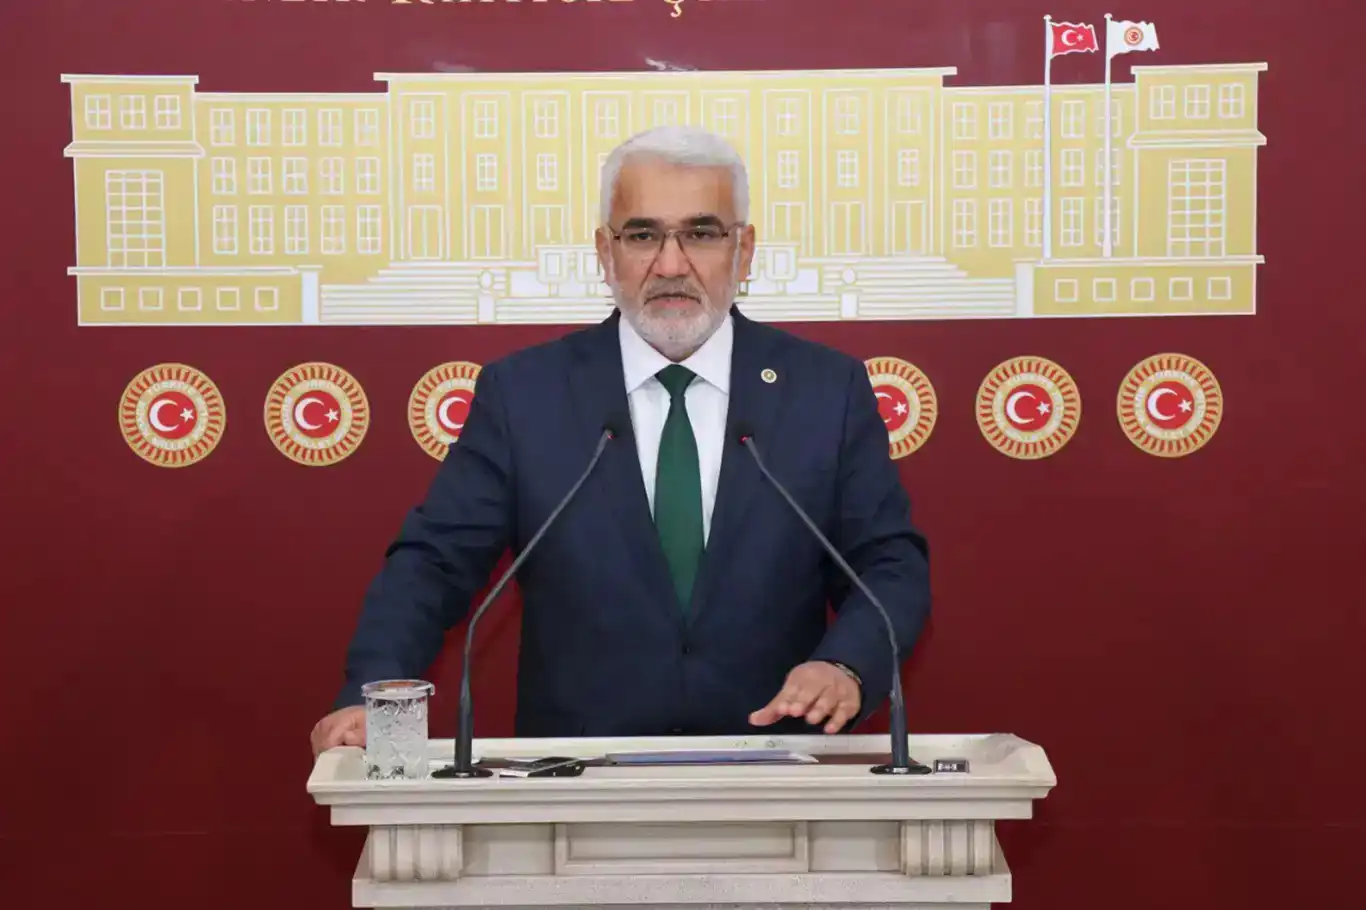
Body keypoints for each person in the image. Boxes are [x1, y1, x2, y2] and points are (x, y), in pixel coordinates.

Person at [310, 124, 931, 756]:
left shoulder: (826, 391)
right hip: (575, 781)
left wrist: (847, 665)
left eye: (701, 233)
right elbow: (434, 564)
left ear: (743, 252)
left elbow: (888, 564)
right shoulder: (524, 395)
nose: (671, 264)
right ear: (606, 254)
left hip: (776, 769)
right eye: (642, 235)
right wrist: (371, 693)